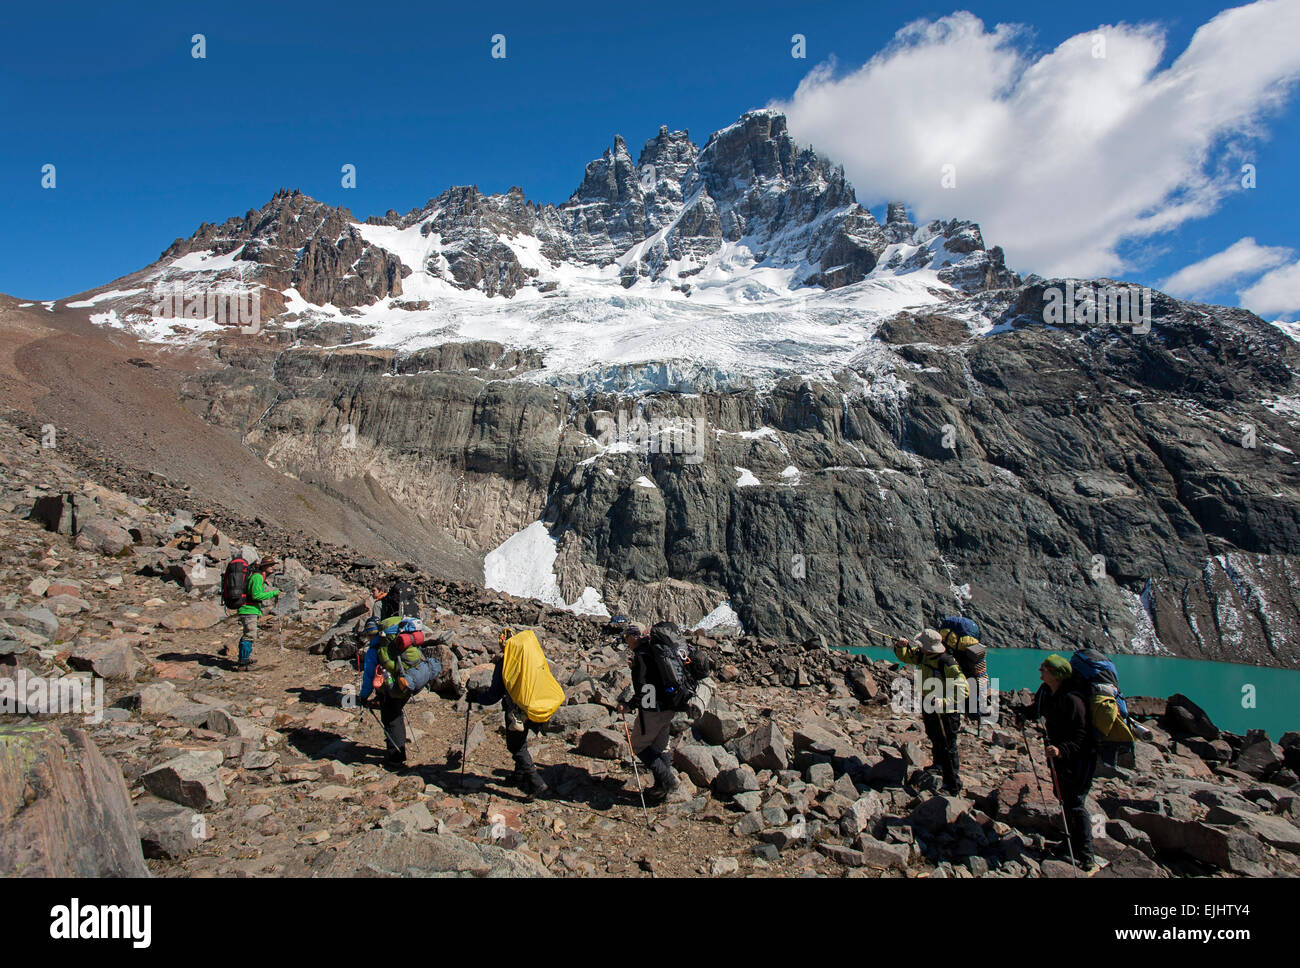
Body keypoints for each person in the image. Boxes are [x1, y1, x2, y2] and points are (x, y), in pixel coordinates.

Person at [1016, 653, 1099, 872]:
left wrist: (1062, 750)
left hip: (1079, 757)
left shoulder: (1073, 699)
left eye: (1044, 668)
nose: (1040, 671)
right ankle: (1069, 841)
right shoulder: (1046, 692)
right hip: (1058, 755)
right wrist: (1023, 714)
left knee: (1075, 801)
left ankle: (1086, 853)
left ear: (1056, 674)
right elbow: (1037, 710)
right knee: (1062, 796)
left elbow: (1082, 736)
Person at [617, 625, 712, 803]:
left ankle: (669, 782)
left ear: (635, 636)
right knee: (661, 747)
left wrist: (630, 705)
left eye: (627, 636)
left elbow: (644, 687)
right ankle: (661, 789)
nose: (626, 640)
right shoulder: (657, 649)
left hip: (653, 709)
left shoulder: (643, 654)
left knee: (639, 746)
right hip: (671, 704)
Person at [465, 631, 551, 798]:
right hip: (532, 707)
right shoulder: (530, 659)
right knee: (522, 741)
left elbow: (493, 696)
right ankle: (518, 776)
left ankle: (536, 782)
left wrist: (476, 697)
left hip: (515, 713)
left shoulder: (505, 663)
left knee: (516, 747)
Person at [894, 628, 968, 793]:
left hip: (946, 710)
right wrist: (901, 647)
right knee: (935, 736)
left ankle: (952, 784)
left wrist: (944, 701)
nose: (918, 646)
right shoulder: (924, 655)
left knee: (948, 745)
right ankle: (938, 766)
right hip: (930, 703)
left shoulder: (947, 662)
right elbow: (905, 656)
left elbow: (963, 687)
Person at [233, 557, 280, 670]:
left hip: (250, 609)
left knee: (249, 634)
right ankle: (243, 662)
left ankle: (244, 658)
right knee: (250, 635)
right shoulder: (257, 577)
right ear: (264, 567)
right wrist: (274, 593)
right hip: (248, 609)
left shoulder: (258, 576)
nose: (273, 567)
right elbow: (256, 595)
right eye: (271, 565)